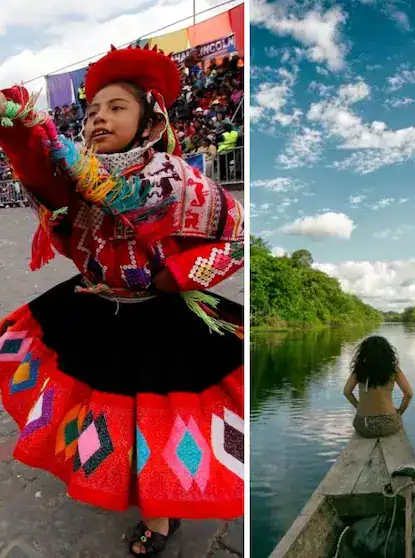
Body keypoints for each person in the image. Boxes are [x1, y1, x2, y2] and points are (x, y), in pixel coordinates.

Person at [0, 46, 246, 555]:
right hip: (97, 303)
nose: (99, 119)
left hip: (160, 316)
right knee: (103, 410)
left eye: (116, 108)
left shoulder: (180, 180)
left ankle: (161, 518)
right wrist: (21, 133)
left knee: (153, 418)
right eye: (91, 112)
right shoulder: (76, 175)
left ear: (151, 123)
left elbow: (239, 238)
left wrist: (177, 275)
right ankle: (118, 482)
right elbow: (40, 178)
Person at [344, 336, 414, 439]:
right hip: (390, 425)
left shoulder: (359, 370)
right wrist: (399, 412)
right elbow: (409, 394)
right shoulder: (393, 370)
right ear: (387, 352)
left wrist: (358, 406)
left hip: (364, 426)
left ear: (364, 353)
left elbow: (347, 392)